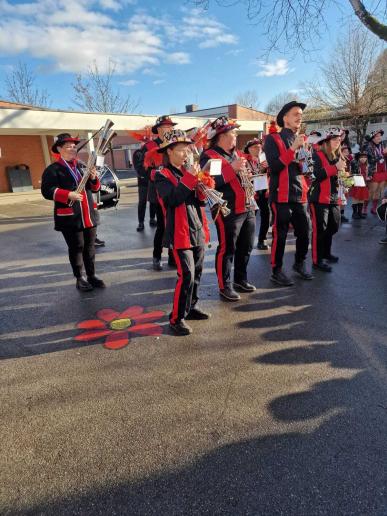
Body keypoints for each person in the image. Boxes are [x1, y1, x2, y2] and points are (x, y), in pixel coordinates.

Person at [154, 129, 211, 336]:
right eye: (181, 150)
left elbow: (199, 202)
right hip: (179, 232)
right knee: (186, 275)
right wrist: (190, 178)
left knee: (197, 273)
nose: (186, 154)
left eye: (187, 150)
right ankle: (176, 318)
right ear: (169, 151)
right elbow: (172, 199)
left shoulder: (187, 171)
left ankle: (191, 307)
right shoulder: (161, 175)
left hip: (196, 227)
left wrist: (203, 188)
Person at [200, 116, 256, 301]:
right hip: (227, 209)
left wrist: (247, 174)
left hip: (247, 206)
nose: (235, 135)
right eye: (233, 132)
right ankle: (225, 285)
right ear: (221, 136)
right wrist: (232, 169)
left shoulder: (236, 153)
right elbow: (211, 184)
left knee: (246, 246)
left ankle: (241, 279)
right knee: (227, 248)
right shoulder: (210, 156)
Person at [41, 133, 106, 291]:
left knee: (90, 247)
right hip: (69, 216)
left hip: (88, 214)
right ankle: (80, 277)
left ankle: (91, 275)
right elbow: (47, 191)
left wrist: (94, 178)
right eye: (68, 146)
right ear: (59, 149)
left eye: (74, 146)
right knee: (77, 247)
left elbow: (95, 188)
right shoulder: (53, 169)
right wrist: (67, 194)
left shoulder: (82, 165)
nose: (72, 149)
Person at [264, 101, 313, 286]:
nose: (299, 117)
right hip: (281, 194)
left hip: (299, 193)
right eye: (295, 114)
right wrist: (293, 149)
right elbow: (275, 166)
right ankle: (276, 271)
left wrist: (307, 164)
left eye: (301, 114)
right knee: (281, 235)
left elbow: (304, 168)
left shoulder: (302, 139)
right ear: (285, 118)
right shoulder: (273, 139)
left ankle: (299, 264)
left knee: (305, 231)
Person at [142, 115, 177, 271]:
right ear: (158, 130)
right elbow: (140, 168)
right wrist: (155, 174)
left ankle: (172, 256)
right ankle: (157, 256)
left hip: (175, 191)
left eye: (170, 127)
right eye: (164, 128)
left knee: (174, 225)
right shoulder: (149, 146)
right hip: (157, 192)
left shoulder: (175, 144)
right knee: (162, 226)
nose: (168, 130)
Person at [308, 129, 346, 272]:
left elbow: (337, 177)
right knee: (320, 230)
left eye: (339, 140)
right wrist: (334, 168)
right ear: (327, 141)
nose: (338, 142)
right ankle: (317, 260)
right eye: (335, 140)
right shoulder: (316, 155)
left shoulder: (336, 156)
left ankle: (326, 253)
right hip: (318, 198)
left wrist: (346, 180)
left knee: (333, 226)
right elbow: (314, 175)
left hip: (333, 197)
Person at [244, 137, 270, 250]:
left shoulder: (265, 158)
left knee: (266, 215)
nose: (258, 149)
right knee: (251, 218)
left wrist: (268, 167)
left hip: (264, 190)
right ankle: (246, 240)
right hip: (251, 191)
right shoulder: (245, 161)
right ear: (248, 149)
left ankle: (262, 239)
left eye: (259, 147)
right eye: (255, 147)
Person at [133, 144, 156, 232]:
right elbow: (138, 168)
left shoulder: (153, 151)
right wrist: (145, 165)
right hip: (143, 182)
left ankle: (152, 218)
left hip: (152, 181)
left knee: (153, 201)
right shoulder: (138, 153)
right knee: (142, 202)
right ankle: (141, 222)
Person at [365, 129, 387, 215]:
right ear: (372, 138)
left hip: (383, 171)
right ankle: (364, 208)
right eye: (377, 136)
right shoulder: (369, 146)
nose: (379, 137)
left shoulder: (383, 144)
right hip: (374, 171)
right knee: (371, 192)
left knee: (379, 191)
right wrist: (382, 155)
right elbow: (369, 159)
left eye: (380, 136)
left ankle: (374, 208)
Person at [350, 151, 369, 219]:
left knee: (362, 199)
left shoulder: (367, 165)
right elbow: (352, 164)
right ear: (358, 158)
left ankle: (359, 213)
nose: (363, 159)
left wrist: (368, 176)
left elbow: (369, 173)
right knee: (356, 198)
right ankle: (354, 213)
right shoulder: (356, 164)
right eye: (361, 157)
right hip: (356, 183)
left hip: (364, 184)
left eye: (365, 157)